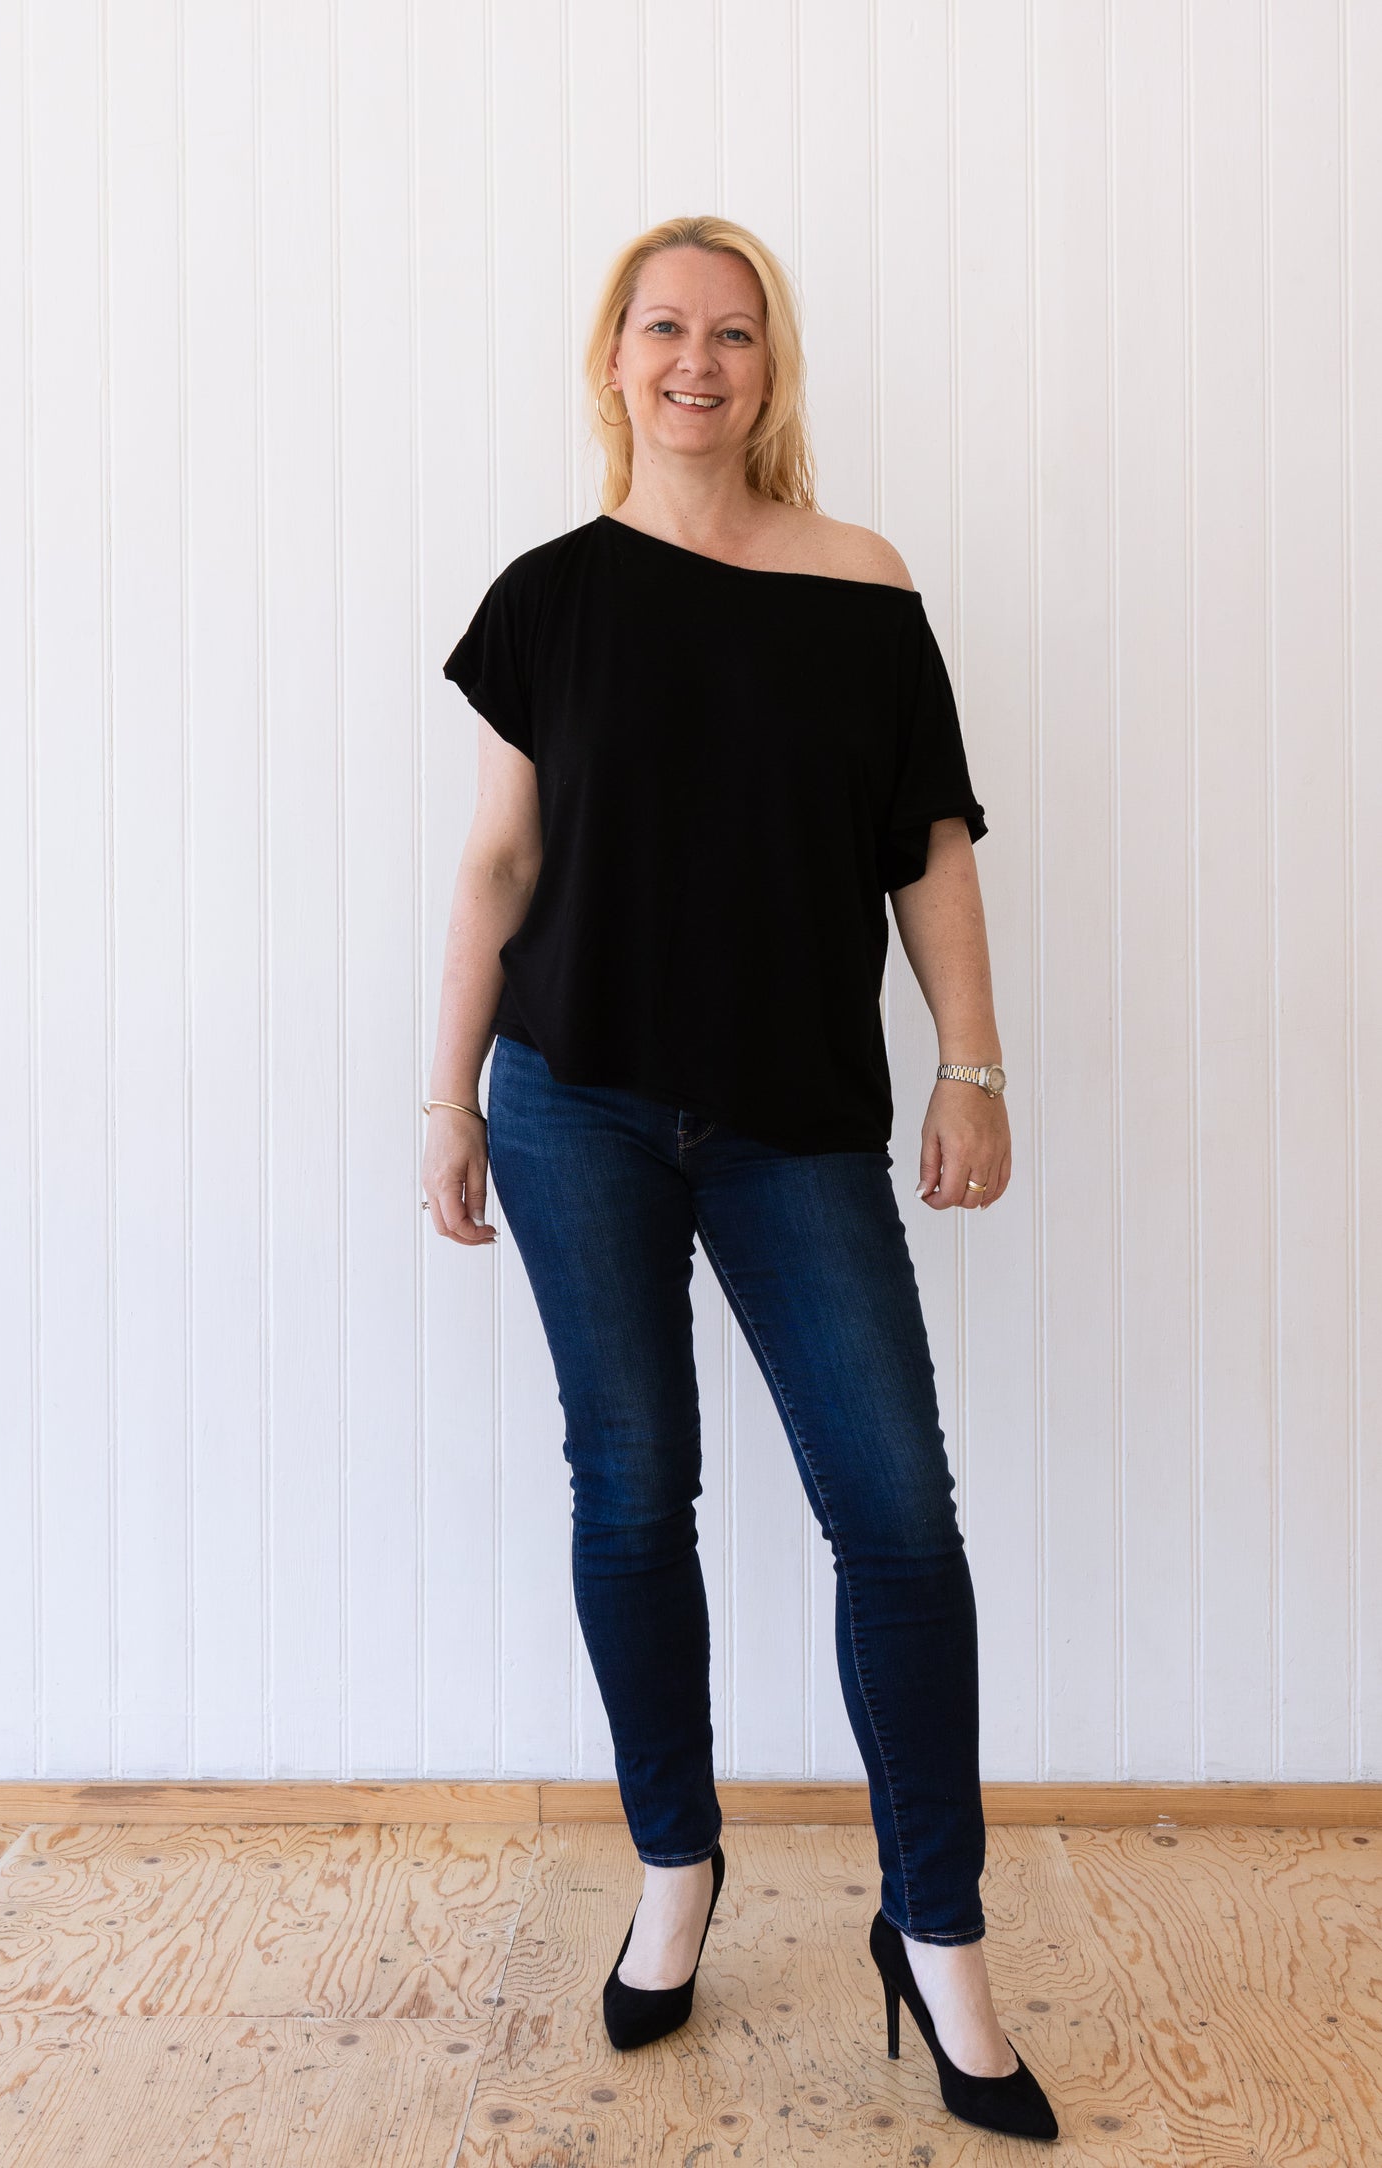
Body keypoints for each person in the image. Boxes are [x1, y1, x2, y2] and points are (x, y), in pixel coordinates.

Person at [424, 215, 1059, 2145]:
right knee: (631, 1499)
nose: (695, 361)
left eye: (733, 332)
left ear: (771, 368)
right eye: (662, 328)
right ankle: (673, 1869)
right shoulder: (549, 597)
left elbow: (925, 845)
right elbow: (502, 865)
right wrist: (447, 1097)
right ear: (612, 359)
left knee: (899, 1522)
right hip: (574, 1101)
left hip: (796, 1120)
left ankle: (933, 1934)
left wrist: (970, 1063)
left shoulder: (863, 585)